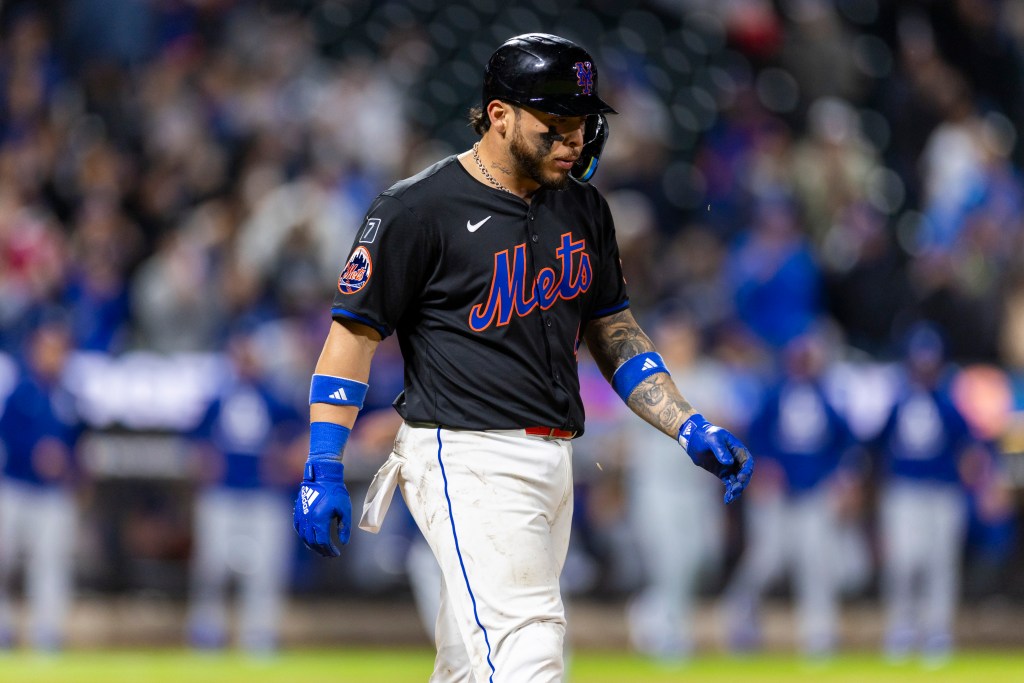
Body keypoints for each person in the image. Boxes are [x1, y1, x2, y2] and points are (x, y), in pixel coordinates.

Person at [291, 33, 754, 683]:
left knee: (468, 664)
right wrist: (323, 463)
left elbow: (614, 330)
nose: (573, 140)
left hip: (554, 457)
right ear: (499, 115)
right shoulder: (419, 208)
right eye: (555, 123)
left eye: (582, 123)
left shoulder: (584, 208)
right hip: (466, 454)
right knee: (528, 650)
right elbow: (352, 338)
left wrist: (686, 423)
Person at [722, 330, 860, 657]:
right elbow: (752, 440)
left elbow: (846, 445)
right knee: (767, 560)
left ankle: (819, 633)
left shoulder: (828, 397)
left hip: (814, 492)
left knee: (816, 562)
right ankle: (740, 613)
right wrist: (759, 471)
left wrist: (843, 480)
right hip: (777, 495)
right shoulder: (773, 395)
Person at [185, 325, 304, 654]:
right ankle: (207, 630)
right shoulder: (217, 398)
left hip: (264, 494)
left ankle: (260, 634)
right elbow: (194, 439)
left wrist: (285, 460)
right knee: (211, 565)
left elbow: (300, 436)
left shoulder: (277, 398)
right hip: (222, 492)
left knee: (266, 568)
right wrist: (203, 460)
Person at [872, 323, 975, 663]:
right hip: (904, 491)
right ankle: (902, 625)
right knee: (904, 560)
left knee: (941, 562)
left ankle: (937, 630)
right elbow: (876, 445)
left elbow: (970, 445)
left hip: (942, 492)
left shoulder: (947, 403)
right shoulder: (898, 402)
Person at [0, 314, 84, 651]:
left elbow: (80, 443)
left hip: (54, 493)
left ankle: (47, 629)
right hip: (17, 487)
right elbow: (7, 437)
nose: (53, 356)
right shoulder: (20, 392)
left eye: (59, 350)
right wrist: (34, 453)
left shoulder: (69, 397)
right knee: (4, 559)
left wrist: (74, 470)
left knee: (51, 563)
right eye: (47, 349)